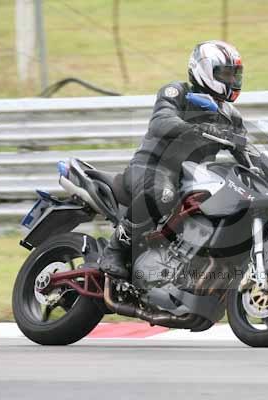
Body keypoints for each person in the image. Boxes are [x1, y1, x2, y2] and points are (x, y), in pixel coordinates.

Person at [99, 40, 247, 279]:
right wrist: (195, 129)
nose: (231, 80)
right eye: (225, 73)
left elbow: (245, 149)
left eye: (234, 74)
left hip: (190, 176)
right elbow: (161, 121)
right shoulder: (178, 92)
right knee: (162, 194)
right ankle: (114, 250)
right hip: (152, 167)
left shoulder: (231, 116)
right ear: (203, 70)